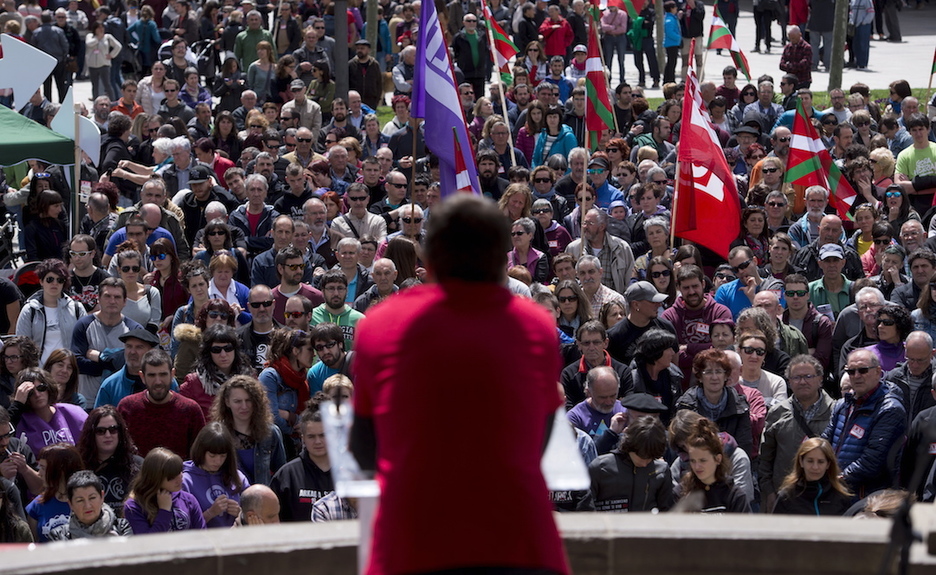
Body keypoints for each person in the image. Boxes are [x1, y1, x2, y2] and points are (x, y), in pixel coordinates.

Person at [351, 194, 568, 574]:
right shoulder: (536, 326)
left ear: (430, 256)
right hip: (516, 541)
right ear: (501, 257)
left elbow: (364, 448)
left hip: (412, 542)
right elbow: (541, 438)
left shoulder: (379, 325)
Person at [822, 349, 907, 497]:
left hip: (867, 496)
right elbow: (825, 441)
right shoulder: (842, 405)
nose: (856, 376)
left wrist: (837, 480)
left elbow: (873, 460)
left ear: (878, 372)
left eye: (863, 370)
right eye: (851, 371)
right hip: (837, 491)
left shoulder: (890, 409)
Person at [758, 355, 835, 512]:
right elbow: (765, 458)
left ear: (820, 379)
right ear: (789, 382)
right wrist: (769, 492)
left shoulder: (836, 411)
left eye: (808, 376)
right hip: (785, 498)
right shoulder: (777, 412)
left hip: (825, 498)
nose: (802, 381)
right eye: (796, 377)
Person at [117, 349, 206, 460]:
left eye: (163, 375)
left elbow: (201, 455)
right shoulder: (127, 408)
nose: (158, 381)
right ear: (142, 377)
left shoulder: (190, 410)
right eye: (152, 375)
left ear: (172, 374)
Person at [675, 349, 754, 459]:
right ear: (700, 377)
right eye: (708, 372)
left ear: (726, 376)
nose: (714, 377)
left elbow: (744, 444)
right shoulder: (686, 405)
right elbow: (683, 446)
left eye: (718, 371)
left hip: (731, 462)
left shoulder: (740, 405)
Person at [586, 415, 674, 512]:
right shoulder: (601, 467)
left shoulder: (661, 471)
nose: (644, 464)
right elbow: (585, 507)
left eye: (650, 458)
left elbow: (667, 511)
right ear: (630, 445)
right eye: (641, 457)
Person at [210, 375, 285, 486]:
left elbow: (281, 474)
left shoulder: (271, 432)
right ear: (227, 402)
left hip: (261, 495)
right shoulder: (218, 434)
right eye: (237, 401)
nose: (244, 406)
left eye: (248, 400)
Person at [662, 265, 733, 374]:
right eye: (686, 288)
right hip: (681, 378)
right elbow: (668, 355)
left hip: (715, 375)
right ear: (679, 288)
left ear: (703, 284)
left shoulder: (720, 312)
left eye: (695, 286)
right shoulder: (669, 317)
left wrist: (688, 348)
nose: (691, 292)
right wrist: (708, 349)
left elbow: (723, 349)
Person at [269, 405, 334, 522]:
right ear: (303, 438)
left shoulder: (346, 473)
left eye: (323, 435)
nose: (317, 441)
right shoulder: (287, 475)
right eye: (311, 436)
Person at [674, 416, 752, 513]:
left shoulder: (735, 496)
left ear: (718, 459)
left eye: (703, 460)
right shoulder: (681, 493)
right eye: (693, 461)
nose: (697, 466)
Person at [17, 259, 87, 364]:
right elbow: (22, 346)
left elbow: (85, 342)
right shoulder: (30, 310)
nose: (55, 283)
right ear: (41, 281)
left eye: (60, 280)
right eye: (50, 279)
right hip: (38, 371)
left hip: (68, 370)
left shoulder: (77, 308)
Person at [181, 422, 249, 529]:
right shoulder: (185, 481)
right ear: (201, 451)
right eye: (212, 456)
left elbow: (255, 514)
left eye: (223, 456)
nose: (218, 461)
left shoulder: (237, 477)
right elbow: (181, 526)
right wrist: (210, 513)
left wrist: (241, 514)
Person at [124, 447, 206, 533]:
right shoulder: (134, 507)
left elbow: (202, 535)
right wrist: (164, 511)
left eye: (179, 472)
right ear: (155, 479)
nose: (180, 479)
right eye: (172, 477)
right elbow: (148, 540)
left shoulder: (188, 500)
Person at [179, 325, 255, 419]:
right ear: (208, 352)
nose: (223, 354)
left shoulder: (250, 377)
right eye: (216, 350)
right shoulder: (194, 383)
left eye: (228, 348)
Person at [76, 405, 141, 514]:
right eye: (100, 431)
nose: (107, 435)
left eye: (113, 430)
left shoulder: (138, 465)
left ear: (120, 432)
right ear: (91, 434)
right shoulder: (78, 465)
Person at [258, 328, 314, 453]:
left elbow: (307, 416)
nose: (314, 354)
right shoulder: (270, 376)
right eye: (310, 349)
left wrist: (288, 415)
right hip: (274, 448)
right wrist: (296, 426)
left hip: (297, 447)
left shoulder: (302, 379)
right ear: (295, 351)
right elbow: (271, 417)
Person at [10, 368, 88, 455]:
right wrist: (17, 404)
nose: (37, 394)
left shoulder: (74, 412)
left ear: (49, 388)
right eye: (30, 392)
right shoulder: (19, 421)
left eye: (41, 388)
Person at [773, 438, 853, 515]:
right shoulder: (787, 496)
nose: (815, 467)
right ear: (801, 462)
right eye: (810, 461)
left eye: (820, 462)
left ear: (828, 464)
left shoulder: (841, 496)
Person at [47, 470, 132, 539]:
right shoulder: (59, 535)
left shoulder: (122, 527)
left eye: (92, 498)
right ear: (70, 504)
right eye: (80, 500)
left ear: (102, 497)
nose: (87, 506)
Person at [26, 443, 85, 542]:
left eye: (43, 468)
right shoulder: (38, 504)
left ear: (60, 470)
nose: (39, 473)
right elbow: (33, 544)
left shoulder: (87, 503)